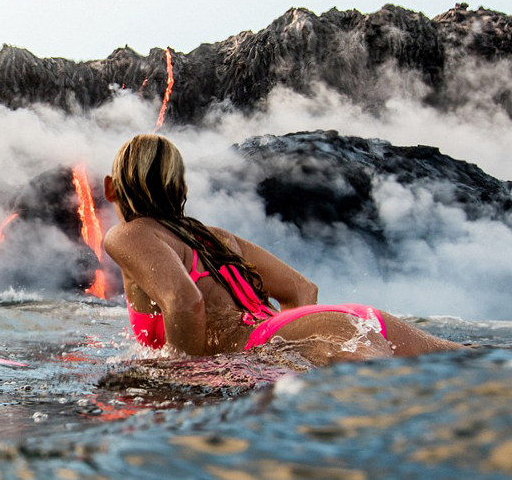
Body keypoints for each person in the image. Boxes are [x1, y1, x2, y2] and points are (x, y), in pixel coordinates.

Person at [103, 134, 463, 366]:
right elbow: (303, 290)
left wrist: (185, 382)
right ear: (180, 187)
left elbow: (184, 300)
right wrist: (288, 346)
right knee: (483, 368)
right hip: (354, 320)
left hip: (312, 335)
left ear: (110, 188)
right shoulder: (216, 238)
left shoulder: (129, 234)